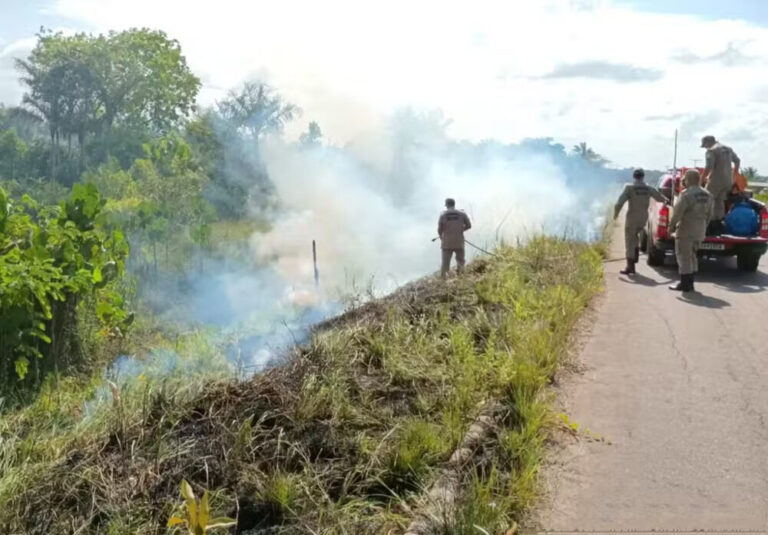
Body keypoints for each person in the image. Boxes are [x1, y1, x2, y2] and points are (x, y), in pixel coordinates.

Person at [613, 168, 668, 275]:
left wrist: (615, 214)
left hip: (632, 217)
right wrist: (667, 200)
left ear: (634, 177)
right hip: (644, 218)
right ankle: (635, 254)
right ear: (643, 177)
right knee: (635, 237)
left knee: (629, 240)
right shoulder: (648, 188)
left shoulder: (629, 188)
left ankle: (630, 267)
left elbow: (619, 202)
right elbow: (660, 198)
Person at [668, 169, 714, 292]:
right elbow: (710, 215)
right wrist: (703, 226)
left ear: (687, 179)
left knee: (683, 255)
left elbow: (677, 213)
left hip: (686, 228)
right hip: (700, 229)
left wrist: (671, 227)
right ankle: (691, 283)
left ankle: (684, 284)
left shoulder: (686, 194)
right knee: (692, 255)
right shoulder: (708, 195)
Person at [700, 135, 740, 233]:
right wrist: (735, 173)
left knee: (707, 201)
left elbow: (709, 166)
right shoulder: (728, 149)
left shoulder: (711, 151)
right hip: (727, 181)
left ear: (708, 142)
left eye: (705, 145)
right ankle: (718, 224)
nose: (705, 147)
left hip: (715, 180)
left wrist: (701, 180)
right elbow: (737, 161)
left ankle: (708, 226)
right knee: (719, 202)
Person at [437, 198, 471, 278]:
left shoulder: (443, 214)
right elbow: (469, 226)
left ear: (447, 205)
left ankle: (444, 280)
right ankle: (461, 277)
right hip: (459, 241)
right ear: (454, 204)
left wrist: (441, 236)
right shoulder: (462, 214)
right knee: (460, 261)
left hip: (447, 242)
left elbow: (439, 229)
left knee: (445, 263)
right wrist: (460, 230)